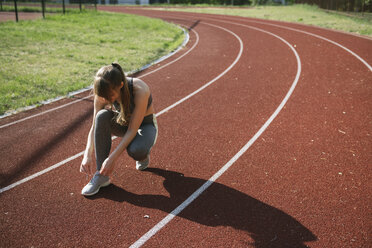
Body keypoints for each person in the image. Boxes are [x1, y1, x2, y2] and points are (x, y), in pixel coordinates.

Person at [80, 63, 158, 196]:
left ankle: (143, 156)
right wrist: (87, 154)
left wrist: (111, 159)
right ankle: (101, 176)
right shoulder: (103, 92)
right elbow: (94, 126)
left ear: (121, 85)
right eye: (102, 96)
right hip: (123, 123)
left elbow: (132, 130)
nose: (105, 99)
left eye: (109, 96)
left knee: (136, 150)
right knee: (101, 116)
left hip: (144, 125)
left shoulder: (140, 90)